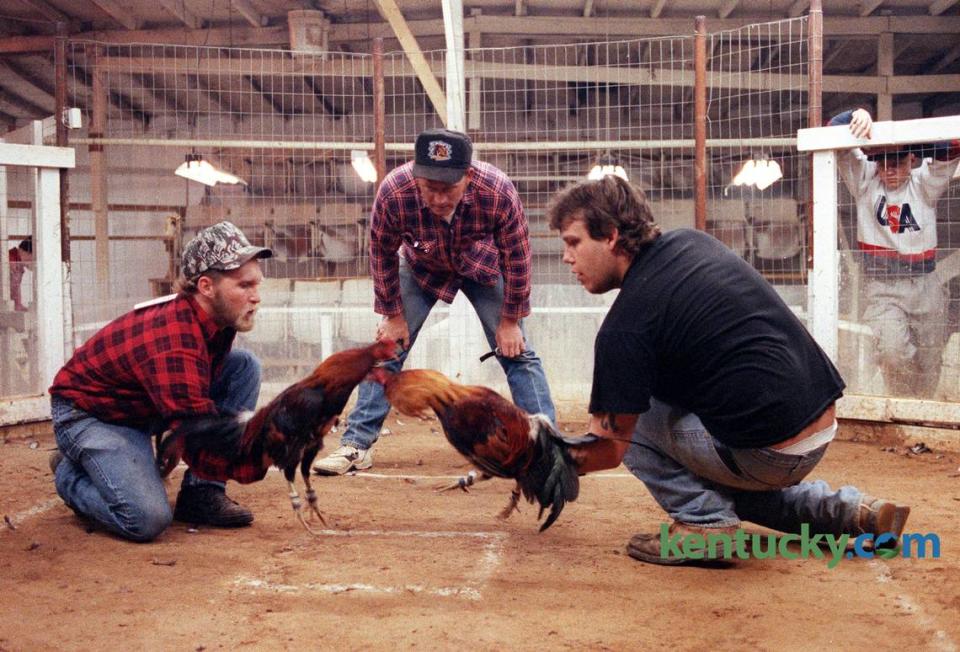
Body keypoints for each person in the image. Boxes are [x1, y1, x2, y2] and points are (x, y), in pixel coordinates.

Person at [545, 174, 911, 565]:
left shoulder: (626, 326)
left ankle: (704, 525)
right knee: (715, 483)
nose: (567, 257)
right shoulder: (690, 243)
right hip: (820, 425)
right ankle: (848, 512)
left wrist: (537, 461)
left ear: (611, 236)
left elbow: (607, 449)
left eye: (573, 242)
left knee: (632, 423)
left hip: (768, 451)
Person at [313, 128, 556, 475]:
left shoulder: (497, 190)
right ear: (416, 174)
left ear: (468, 176)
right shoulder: (395, 192)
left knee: (517, 351)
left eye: (448, 188)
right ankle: (356, 446)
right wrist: (393, 315)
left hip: (480, 264)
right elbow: (381, 254)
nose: (439, 198)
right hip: (421, 265)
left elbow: (517, 256)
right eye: (430, 187)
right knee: (386, 350)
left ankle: (548, 448)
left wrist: (510, 320)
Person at [48, 221, 272, 542]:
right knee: (145, 518)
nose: (256, 297)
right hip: (89, 414)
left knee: (243, 366)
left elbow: (192, 398)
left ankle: (201, 494)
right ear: (206, 286)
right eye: (245, 286)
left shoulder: (217, 318)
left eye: (257, 285)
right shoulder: (175, 338)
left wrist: (179, 434)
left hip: (139, 404)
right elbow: (198, 423)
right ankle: (70, 473)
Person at [830, 108, 960, 398]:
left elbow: (954, 145)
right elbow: (833, 129)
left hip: (925, 285)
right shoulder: (865, 181)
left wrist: (913, 142)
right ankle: (901, 403)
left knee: (929, 357)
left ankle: (921, 413)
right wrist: (857, 114)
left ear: (912, 159)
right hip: (883, 287)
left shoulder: (924, 183)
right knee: (892, 352)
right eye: (881, 160)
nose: (888, 169)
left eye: (897, 161)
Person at [8, 237, 32, 311]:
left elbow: (15, 288)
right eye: (33, 257)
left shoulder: (17, 261)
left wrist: (18, 304)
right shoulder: (12, 261)